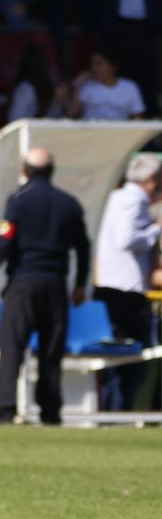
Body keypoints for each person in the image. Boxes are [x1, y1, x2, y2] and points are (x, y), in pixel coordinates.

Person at [0, 147, 90, 425]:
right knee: (51, 350)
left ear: (23, 170)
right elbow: (83, 247)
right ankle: (51, 412)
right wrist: (80, 283)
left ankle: (4, 408)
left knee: (12, 346)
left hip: (23, 283)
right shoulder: (69, 203)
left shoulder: (18, 200)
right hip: (56, 285)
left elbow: (5, 240)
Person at [93, 154, 161, 411]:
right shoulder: (134, 200)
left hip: (112, 287)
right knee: (131, 362)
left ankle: (114, 411)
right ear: (151, 180)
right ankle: (118, 413)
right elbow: (127, 238)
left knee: (117, 361)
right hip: (126, 289)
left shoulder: (116, 197)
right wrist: (156, 229)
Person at [69, 47, 147, 120]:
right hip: (91, 133)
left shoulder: (130, 87)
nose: (94, 68)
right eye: (92, 63)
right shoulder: (87, 86)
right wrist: (78, 84)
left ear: (113, 67)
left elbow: (138, 117)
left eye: (99, 64)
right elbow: (72, 113)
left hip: (120, 133)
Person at [6, 42, 71, 121]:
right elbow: (14, 120)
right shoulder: (25, 89)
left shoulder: (44, 85)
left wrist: (57, 101)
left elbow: (49, 119)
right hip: (26, 132)